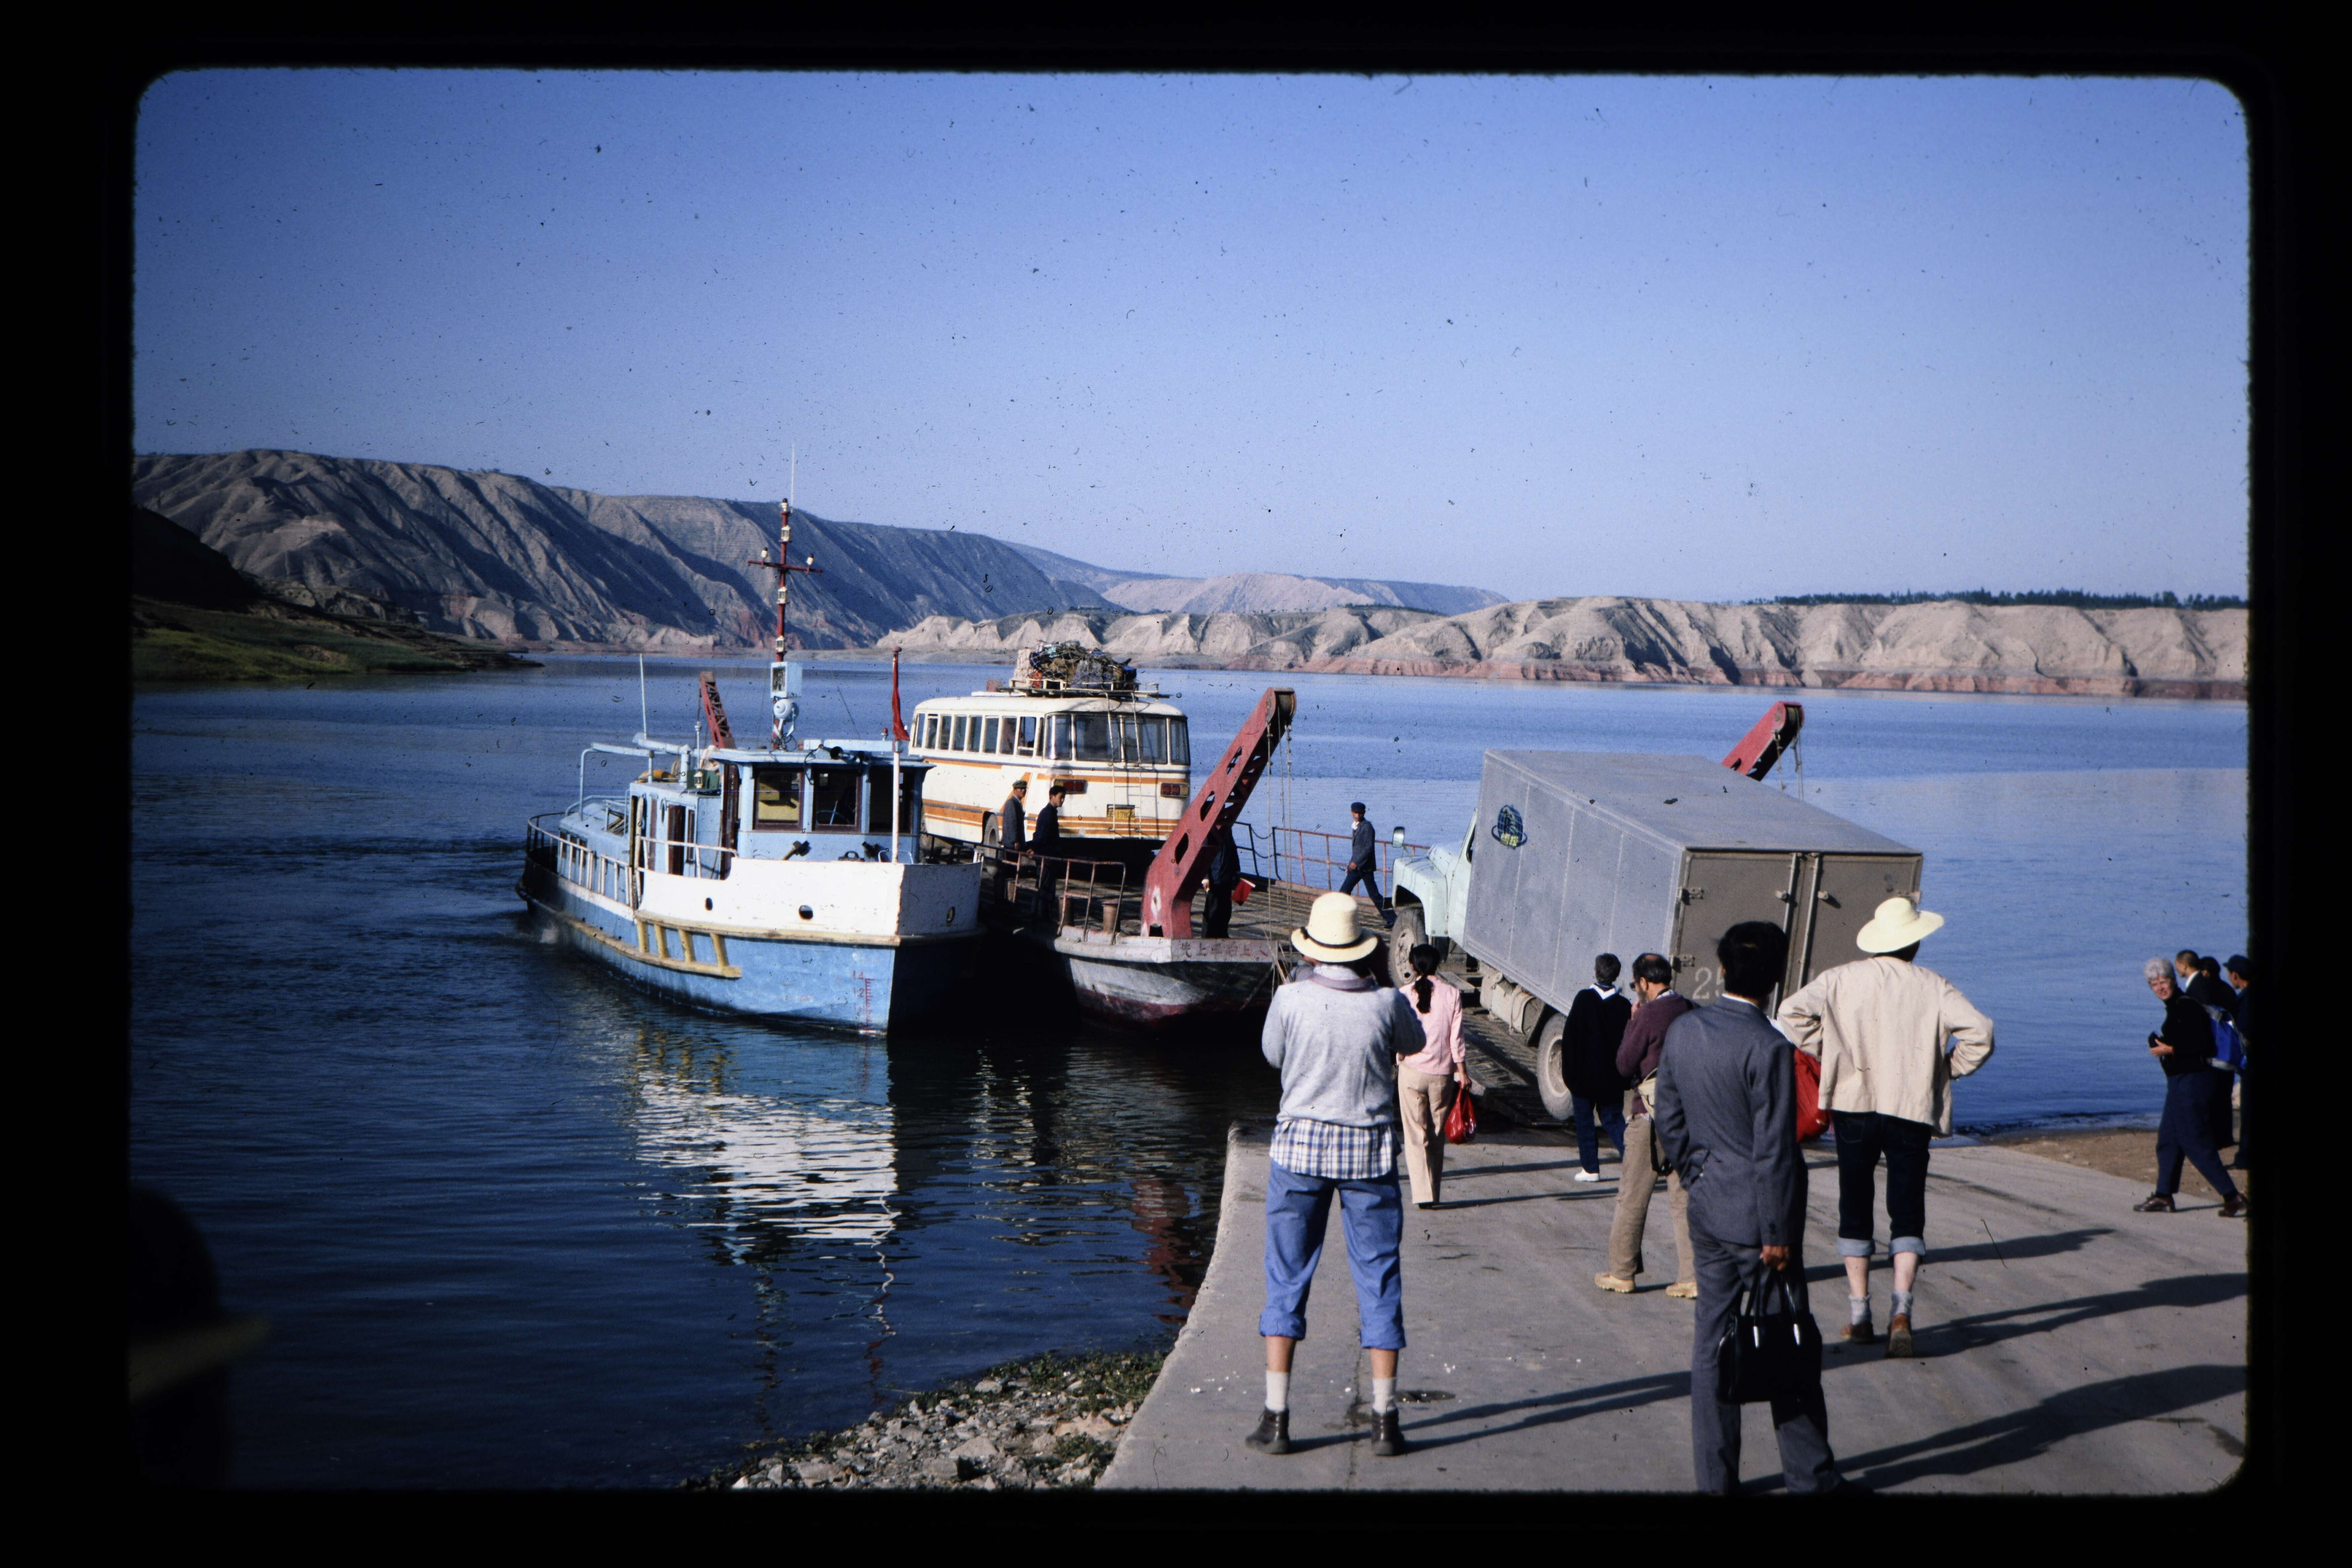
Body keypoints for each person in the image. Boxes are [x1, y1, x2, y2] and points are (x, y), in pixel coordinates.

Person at [1654, 921, 1844, 1496]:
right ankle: (1811, 1476)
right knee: (1788, 1344)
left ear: (1724, 969)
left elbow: (1670, 1117)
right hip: (1761, 1221)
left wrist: (1695, 1172)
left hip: (1709, 1205)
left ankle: (1717, 1480)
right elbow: (1775, 1148)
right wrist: (1778, 1229)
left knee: (1711, 1344)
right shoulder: (1770, 1047)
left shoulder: (1685, 1030)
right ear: (1778, 978)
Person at [1775, 894, 1993, 1359]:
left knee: (1855, 1204)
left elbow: (1789, 1015)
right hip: (1911, 1107)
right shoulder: (1933, 984)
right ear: (1915, 942)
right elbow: (1981, 1033)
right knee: (1907, 1209)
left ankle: (1860, 1315)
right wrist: (1946, 1069)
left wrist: (1830, 1051)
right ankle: (1902, 1311)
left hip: (1854, 1104)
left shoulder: (1839, 978)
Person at [1248, 891, 1426, 1460]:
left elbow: (1273, 1055)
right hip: (1369, 1155)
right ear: (1360, 950)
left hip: (1299, 1152)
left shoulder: (1291, 997)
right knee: (1379, 1279)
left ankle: (1277, 1417)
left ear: (1312, 949)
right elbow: (1416, 1043)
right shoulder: (1385, 1002)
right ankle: (1385, 1421)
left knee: (1286, 1277)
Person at [1598, 952, 1698, 1298]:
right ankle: (1692, 1276)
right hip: (1687, 1117)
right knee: (1684, 1198)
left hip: (1650, 1116)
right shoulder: (1691, 1009)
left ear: (1644, 982)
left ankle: (1621, 1272)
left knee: (1632, 1196)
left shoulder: (1647, 1014)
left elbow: (1625, 1064)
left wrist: (1632, 1023)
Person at [2134, 957, 2247, 1218]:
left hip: (2193, 1083)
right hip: (2180, 1083)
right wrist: (2168, 1047)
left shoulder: (2186, 1006)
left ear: (2174, 980)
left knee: (2194, 1142)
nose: (2160, 987)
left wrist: (2170, 1049)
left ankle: (2233, 1196)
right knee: (2168, 1139)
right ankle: (2164, 1195)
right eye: (2155, 984)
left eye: (2164, 981)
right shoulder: (2175, 1008)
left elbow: (2203, 1047)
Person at [1394, 943, 1468, 1209]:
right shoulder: (1453, 994)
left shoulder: (1404, 995)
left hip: (1412, 1072)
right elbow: (1456, 1039)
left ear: (1413, 966)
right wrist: (1462, 1072)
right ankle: (1434, 1192)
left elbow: (1398, 1033)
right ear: (1438, 965)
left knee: (1416, 1135)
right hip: (1442, 1075)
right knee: (1436, 1135)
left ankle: (1423, 1194)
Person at [1563, 955, 1633, 1183]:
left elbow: (1570, 1040)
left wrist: (1570, 1076)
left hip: (1583, 1079)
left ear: (1595, 972)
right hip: (1612, 1080)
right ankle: (1635, 1165)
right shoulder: (1624, 1006)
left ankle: (1591, 1169)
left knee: (1585, 1122)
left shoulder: (1584, 999)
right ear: (1616, 976)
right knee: (1614, 1120)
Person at [1338, 802, 1394, 929]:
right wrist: (1350, 865)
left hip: (1365, 868)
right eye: (1356, 813)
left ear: (1364, 813)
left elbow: (1368, 848)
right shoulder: (1356, 826)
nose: (1358, 815)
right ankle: (1341, 918)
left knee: (1374, 895)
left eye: (1360, 813)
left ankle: (1392, 919)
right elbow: (1357, 850)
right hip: (1356, 867)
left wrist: (1356, 862)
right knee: (1344, 893)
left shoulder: (1368, 827)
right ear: (1352, 812)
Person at [2225, 955, 2253, 1170]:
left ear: (2236, 975)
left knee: (2249, 1113)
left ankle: (2245, 1157)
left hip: (2251, 1064)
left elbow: (2243, 1031)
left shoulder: (2247, 1000)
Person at [1203, 832, 1241, 939]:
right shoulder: (1209, 832)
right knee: (1212, 910)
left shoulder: (1227, 831)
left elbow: (1233, 850)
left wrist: (1237, 872)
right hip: (1214, 877)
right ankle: (1207, 937)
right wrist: (1206, 877)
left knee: (1226, 910)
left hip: (1227, 876)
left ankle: (1223, 935)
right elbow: (1204, 854)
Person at [998, 777, 1028, 853]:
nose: (1023, 791)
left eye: (1025, 789)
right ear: (1015, 790)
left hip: (1015, 843)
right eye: (1021, 789)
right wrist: (1015, 841)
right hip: (1012, 845)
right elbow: (1011, 824)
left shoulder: (1018, 803)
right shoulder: (1012, 803)